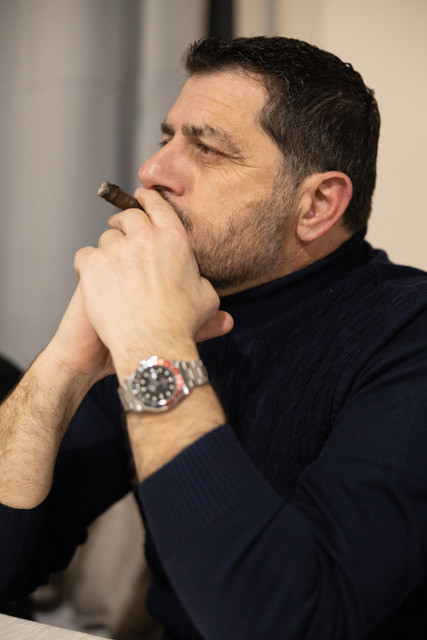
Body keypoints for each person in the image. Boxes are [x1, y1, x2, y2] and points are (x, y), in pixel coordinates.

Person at [0, 36, 426, 640]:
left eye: (207, 148)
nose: (152, 172)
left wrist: (153, 343)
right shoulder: (175, 308)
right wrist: (64, 364)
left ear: (316, 204)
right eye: (166, 139)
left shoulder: (407, 337)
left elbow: (286, 621)